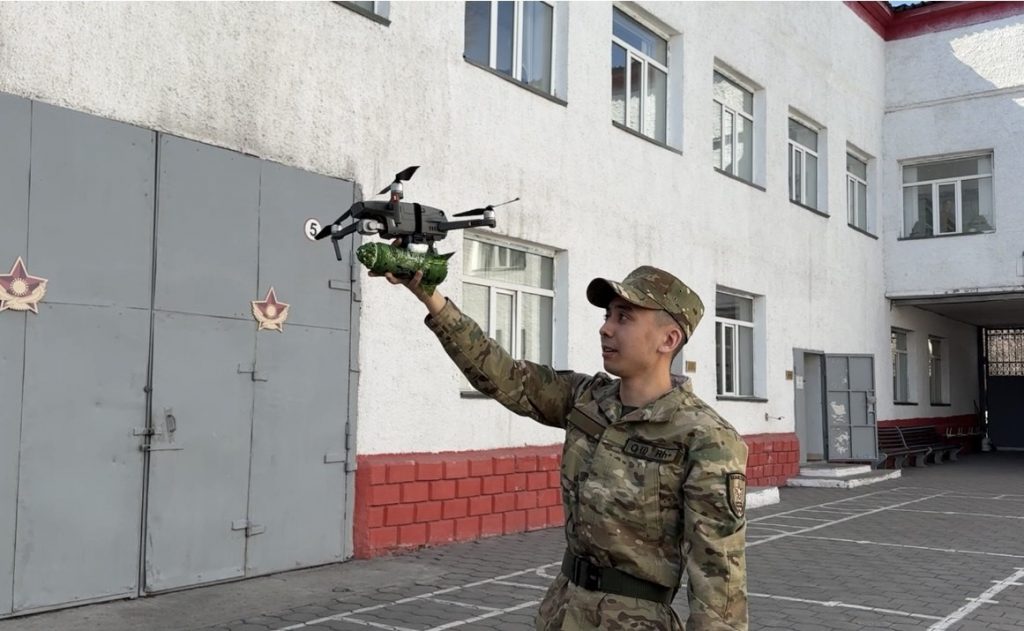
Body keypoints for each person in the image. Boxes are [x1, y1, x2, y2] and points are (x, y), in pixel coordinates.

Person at [376, 264, 749, 630]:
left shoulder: (705, 437)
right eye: (607, 315)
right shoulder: (585, 399)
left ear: (668, 340)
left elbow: (719, 578)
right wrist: (431, 297)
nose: (606, 328)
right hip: (563, 611)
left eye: (624, 317)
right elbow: (503, 375)